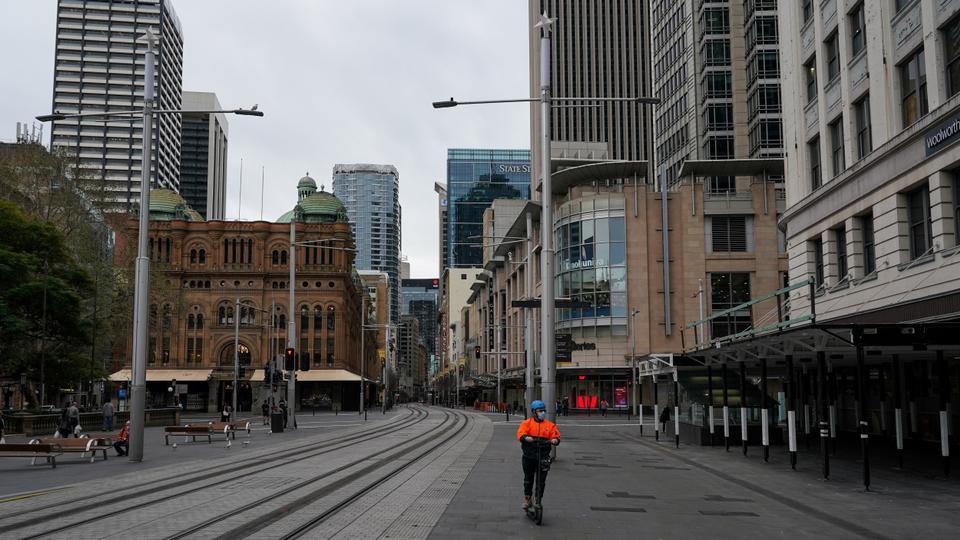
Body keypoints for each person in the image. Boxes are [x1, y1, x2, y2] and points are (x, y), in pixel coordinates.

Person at [516, 400, 560, 510]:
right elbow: (520, 434)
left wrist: (555, 440)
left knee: (541, 480)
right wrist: (526, 438)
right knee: (528, 478)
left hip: (543, 456)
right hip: (529, 456)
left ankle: (538, 499)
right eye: (540, 411)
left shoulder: (550, 425)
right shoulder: (527, 423)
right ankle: (527, 498)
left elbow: (556, 436)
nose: (542, 413)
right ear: (534, 412)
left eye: (543, 411)